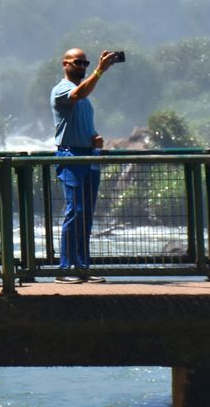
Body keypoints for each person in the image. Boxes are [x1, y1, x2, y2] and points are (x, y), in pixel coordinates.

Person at [50, 47, 121, 283]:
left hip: (88, 157)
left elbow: (82, 117)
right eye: (77, 63)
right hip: (71, 157)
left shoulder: (85, 98)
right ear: (65, 64)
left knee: (86, 214)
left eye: (85, 64)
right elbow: (78, 94)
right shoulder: (61, 90)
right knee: (75, 211)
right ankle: (65, 268)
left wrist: (95, 138)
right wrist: (101, 70)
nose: (81, 67)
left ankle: (82, 265)